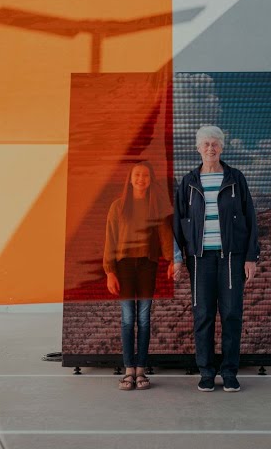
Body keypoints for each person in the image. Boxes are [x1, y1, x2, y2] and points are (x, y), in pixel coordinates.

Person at [172, 125, 260, 392]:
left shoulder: (235, 178)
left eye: (215, 144)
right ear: (198, 148)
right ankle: (207, 372)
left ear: (222, 147)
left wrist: (251, 256)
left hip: (232, 258)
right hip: (199, 260)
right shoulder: (188, 182)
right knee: (203, 315)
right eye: (206, 144)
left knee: (232, 314)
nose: (210, 148)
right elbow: (177, 221)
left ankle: (229, 372)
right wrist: (178, 258)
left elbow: (250, 218)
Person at [103, 160, 179, 390]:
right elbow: (110, 239)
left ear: (150, 180)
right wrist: (109, 271)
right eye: (137, 175)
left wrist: (172, 260)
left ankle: (141, 370)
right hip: (124, 266)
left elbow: (165, 235)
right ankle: (128, 370)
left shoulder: (156, 206)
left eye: (145, 175)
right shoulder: (118, 206)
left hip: (147, 265)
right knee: (128, 319)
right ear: (130, 179)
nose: (141, 179)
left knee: (144, 319)